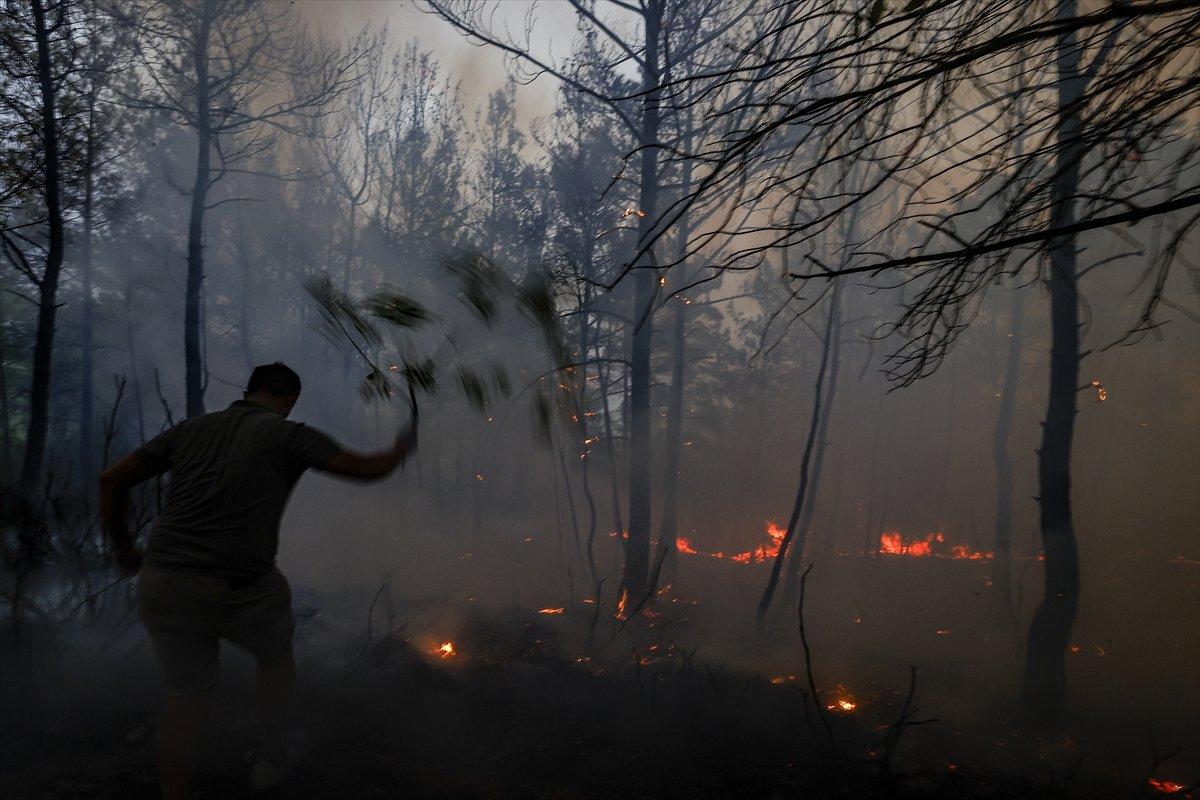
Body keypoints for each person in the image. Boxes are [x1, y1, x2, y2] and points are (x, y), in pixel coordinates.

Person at [99, 362, 416, 800]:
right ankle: (274, 755)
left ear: (250, 391)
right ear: (289, 400)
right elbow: (367, 469)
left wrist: (123, 550)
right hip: (240, 586)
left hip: (163, 581)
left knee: (185, 694)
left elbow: (111, 479)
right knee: (273, 656)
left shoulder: (190, 429)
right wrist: (401, 447)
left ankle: (175, 793)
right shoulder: (289, 433)